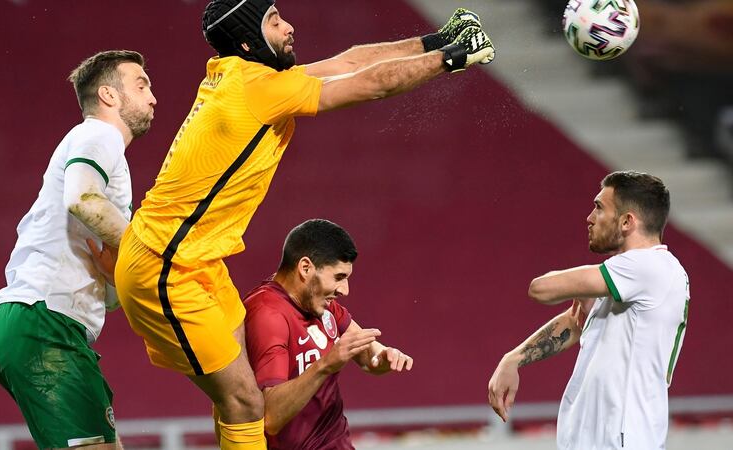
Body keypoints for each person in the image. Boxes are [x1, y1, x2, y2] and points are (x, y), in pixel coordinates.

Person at [113, 1, 493, 449]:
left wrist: (434, 41)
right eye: (274, 20)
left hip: (197, 262)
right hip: (164, 265)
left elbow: (347, 62)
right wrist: (450, 60)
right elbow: (368, 84)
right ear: (249, 39)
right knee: (246, 404)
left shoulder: (245, 76)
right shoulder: (258, 89)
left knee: (240, 397)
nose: (288, 26)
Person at [0, 50, 157, 449]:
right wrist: (147, 253)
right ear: (109, 96)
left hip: (44, 326)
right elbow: (80, 198)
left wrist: (120, 270)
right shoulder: (98, 133)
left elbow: (110, 298)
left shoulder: (104, 151)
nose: (153, 98)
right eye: (142, 85)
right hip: (42, 323)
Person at [487, 171, 690, 450]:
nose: (590, 218)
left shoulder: (650, 267)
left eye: (599, 207)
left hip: (623, 440)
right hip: (598, 439)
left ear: (627, 221)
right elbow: (576, 322)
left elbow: (541, 288)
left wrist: (580, 287)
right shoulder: (628, 279)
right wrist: (513, 359)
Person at [243, 219, 413, 449]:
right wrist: (326, 364)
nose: (345, 290)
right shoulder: (268, 314)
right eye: (339, 277)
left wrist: (383, 357)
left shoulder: (320, 304)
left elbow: (368, 357)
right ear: (305, 268)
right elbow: (271, 417)